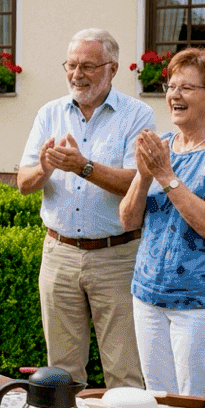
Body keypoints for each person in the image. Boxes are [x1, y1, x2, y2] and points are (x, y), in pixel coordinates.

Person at [119, 47, 205, 408]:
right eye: (171, 86)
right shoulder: (163, 145)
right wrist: (144, 176)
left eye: (187, 88)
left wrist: (164, 176)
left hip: (201, 303)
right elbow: (128, 220)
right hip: (148, 296)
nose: (174, 95)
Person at [17, 28, 155, 388]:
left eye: (88, 66)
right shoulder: (49, 113)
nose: (77, 75)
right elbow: (23, 183)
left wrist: (83, 166)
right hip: (58, 253)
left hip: (117, 255)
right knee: (62, 373)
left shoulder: (136, 115)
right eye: (72, 65)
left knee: (124, 368)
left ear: (112, 68)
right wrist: (46, 166)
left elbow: (137, 180)